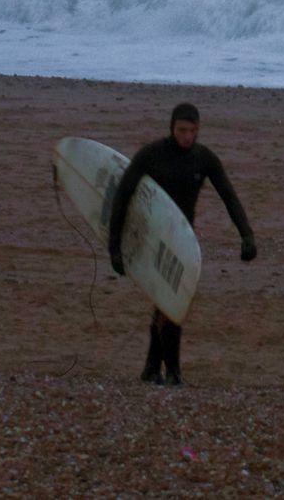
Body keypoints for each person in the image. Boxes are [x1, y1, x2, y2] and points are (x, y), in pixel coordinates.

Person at [107, 102, 256, 386]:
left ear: (198, 130)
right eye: (181, 130)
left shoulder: (204, 159)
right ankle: (172, 371)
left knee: (168, 302)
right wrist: (114, 247)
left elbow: (229, 196)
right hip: (151, 239)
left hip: (182, 241)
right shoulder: (151, 155)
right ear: (172, 128)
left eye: (192, 130)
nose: (187, 136)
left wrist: (246, 235)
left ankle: (152, 368)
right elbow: (122, 198)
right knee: (170, 302)